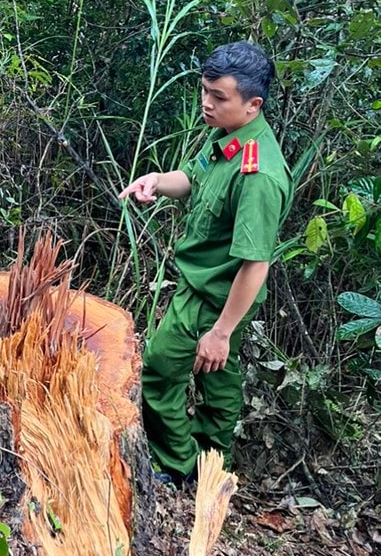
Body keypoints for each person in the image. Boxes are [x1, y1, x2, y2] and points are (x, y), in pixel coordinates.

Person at [119, 41, 293, 486]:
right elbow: (194, 180)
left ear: (253, 104)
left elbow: (255, 265)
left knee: (160, 370)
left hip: (217, 296)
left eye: (219, 97)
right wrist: (157, 182)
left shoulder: (259, 175)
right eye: (205, 91)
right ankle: (206, 466)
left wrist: (221, 331)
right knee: (218, 385)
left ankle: (179, 467)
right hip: (203, 286)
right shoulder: (229, 137)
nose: (207, 103)